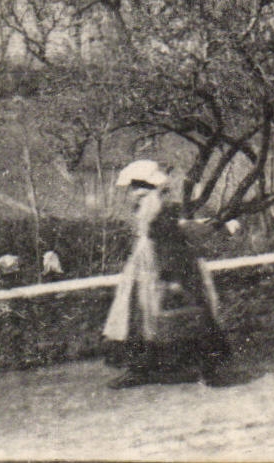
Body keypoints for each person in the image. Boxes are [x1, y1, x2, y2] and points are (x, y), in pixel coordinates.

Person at [101, 160, 230, 388]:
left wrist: (169, 275)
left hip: (165, 267)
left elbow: (169, 243)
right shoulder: (147, 207)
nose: (132, 193)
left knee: (182, 316)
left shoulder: (159, 208)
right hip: (146, 268)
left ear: (147, 186)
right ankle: (140, 368)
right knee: (140, 318)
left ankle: (206, 369)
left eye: (136, 187)